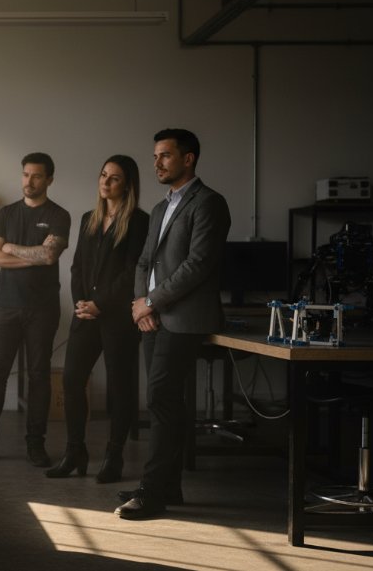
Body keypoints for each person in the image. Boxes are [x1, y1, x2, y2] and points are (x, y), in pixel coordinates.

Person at [115, 128, 231, 519]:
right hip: (153, 317)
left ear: (189, 158)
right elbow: (144, 261)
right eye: (155, 156)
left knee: (161, 401)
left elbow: (196, 266)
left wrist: (151, 301)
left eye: (165, 155)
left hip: (183, 320)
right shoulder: (162, 208)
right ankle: (169, 486)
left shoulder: (209, 203)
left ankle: (152, 492)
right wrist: (141, 305)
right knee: (166, 403)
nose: (157, 163)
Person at [0, 153, 70, 467]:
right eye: (25, 175)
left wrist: (9, 247)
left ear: (49, 179)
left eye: (36, 176)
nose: (29, 182)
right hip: (7, 305)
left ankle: (36, 443)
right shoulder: (6, 213)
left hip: (43, 308)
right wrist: (28, 254)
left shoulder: (60, 215)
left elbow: (49, 256)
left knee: (38, 376)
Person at [46, 155, 149, 483]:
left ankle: (114, 455)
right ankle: (75, 451)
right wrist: (81, 303)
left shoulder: (139, 221)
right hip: (86, 315)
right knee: (72, 380)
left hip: (118, 317)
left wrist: (100, 304)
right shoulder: (89, 217)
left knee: (120, 388)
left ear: (127, 184)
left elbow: (131, 270)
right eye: (103, 175)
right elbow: (77, 266)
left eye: (114, 178)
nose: (105, 182)